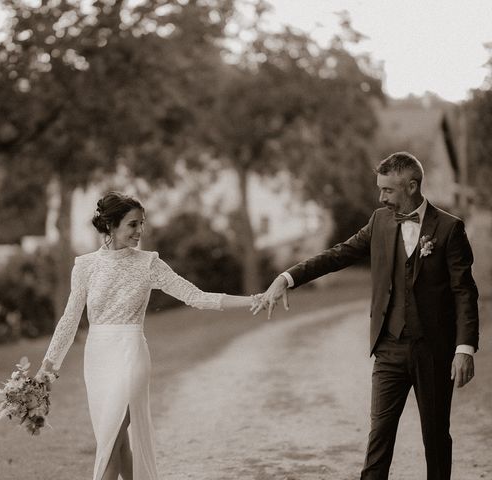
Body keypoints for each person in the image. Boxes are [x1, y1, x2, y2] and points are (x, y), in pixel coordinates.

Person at [254, 152, 479, 480]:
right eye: (380, 190)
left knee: (435, 438)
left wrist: (464, 348)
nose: (381, 197)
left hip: (433, 351)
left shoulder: (449, 228)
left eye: (388, 190)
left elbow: (464, 292)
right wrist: (287, 278)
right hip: (388, 348)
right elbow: (337, 255)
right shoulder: (379, 221)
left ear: (412, 186)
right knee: (379, 440)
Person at [36, 191, 258, 480]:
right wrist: (48, 367)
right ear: (111, 225)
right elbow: (69, 319)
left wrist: (252, 299)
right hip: (97, 359)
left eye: (142, 223)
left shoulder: (149, 264)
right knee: (117, 443)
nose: (140, 230)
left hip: (131, 355)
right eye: (132, 224)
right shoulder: (85, 267)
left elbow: (196, 296)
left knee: (110, 441)